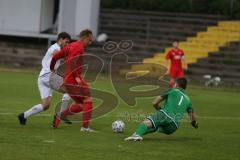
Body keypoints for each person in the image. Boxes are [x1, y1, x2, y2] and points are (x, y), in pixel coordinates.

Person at [18, 32, 72, 125]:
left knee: (46, 105)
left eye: (68, 43)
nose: (67, 44)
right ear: (61, 39)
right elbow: (56, 54)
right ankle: (61, 115)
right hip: (48, 76)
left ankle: (24, 115)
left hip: (42, 77)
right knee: (71, 91)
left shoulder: (56, 47)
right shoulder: (56, 47)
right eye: (66, 42)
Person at [125, 77, 198, 141]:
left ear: (176, 84)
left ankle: (136, 135)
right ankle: (137, 133)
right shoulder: (188, 99)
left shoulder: (172, 90)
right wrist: (194, 124)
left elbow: (154, 102)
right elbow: (192, 117)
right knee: (155, 126)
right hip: (174, 126)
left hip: (166, 115)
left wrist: (159, 110)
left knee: (146, 122)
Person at [50, 29, 95, 132]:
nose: (90, 42)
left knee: (81, 105)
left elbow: (56, 57)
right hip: (73, 80)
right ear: (84, 37)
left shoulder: (71, 46)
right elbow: (72, 62)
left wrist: (52, 68)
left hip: (68, 80)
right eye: (89, 40)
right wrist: (77, 78)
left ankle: (59, 116)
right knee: (88, 100)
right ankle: (85, 127)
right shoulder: (79, 47)